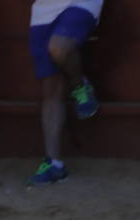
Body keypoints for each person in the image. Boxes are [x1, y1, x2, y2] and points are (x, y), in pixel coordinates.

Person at [27, 0, 102, 186]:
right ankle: (55, 164)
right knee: (50, 88)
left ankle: (79, 85)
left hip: (80, 3)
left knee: (59, 47)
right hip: (42, 11)